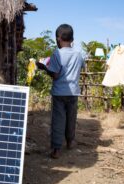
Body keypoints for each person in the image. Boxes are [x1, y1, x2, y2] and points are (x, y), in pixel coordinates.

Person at [36, 24, 85, 159]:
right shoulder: (78, 54)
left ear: (58, 38)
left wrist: (44, 68)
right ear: (71, 38)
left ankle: (56, 149)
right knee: (71, 118)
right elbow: (81, 67)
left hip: (59, 93)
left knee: (58, 120)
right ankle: (70, 142)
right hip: (73, 92)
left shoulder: (57, 54)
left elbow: (55, 75)